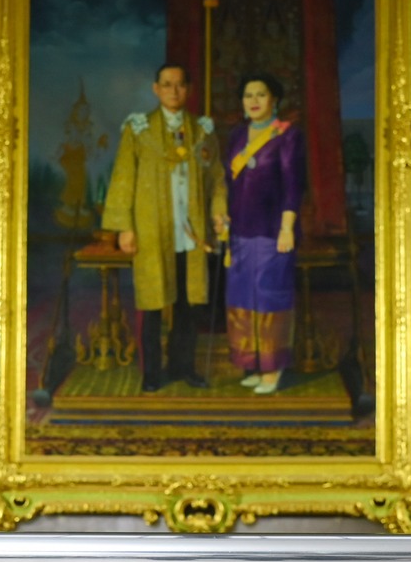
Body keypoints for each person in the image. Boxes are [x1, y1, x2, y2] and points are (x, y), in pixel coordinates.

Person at [100, 63, 226, 391]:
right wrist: (125, 227)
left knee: (188, 303)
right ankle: (152, 372)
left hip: (192, 232)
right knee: (154, 302)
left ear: (189, 89)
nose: (174, 91)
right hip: (152, 229)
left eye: (180, 84)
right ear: (156, 89)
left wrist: (218, 214)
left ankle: (184, 366)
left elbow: (216, 178)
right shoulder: (139, 129)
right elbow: (123, 178)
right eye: (167, 84)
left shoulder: (202, 130)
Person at [218, 72, 305, 394]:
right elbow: (227, 182)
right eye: (248, 95)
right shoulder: (237, 136)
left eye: (261, 94)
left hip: (272, 231)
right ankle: (252, 363)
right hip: (240, 231)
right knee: (242, 299)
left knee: (269, 298)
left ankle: (273, 368)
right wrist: (223, 217)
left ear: (274, 100)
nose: (253, 101)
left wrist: (287, 228)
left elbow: (293, 185)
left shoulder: (288, 135)